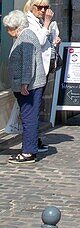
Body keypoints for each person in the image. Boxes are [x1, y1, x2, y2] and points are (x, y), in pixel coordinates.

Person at [3, 9, 45, 163]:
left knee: (28, 118)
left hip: (30, 86)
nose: (8, 31)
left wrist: (24, 84)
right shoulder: (25, 35)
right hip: (29, 85)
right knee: (28, 117)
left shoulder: (26, 36)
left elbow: (28, 63)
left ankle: (28, 152)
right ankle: (30, 148)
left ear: (17, 27)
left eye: (9, 28)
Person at [23, 0, 62, 153]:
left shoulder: (39, 22)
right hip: (32, 71)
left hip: (42, 69)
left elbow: (44, 43)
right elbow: (36, 41)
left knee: (36, 107)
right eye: (40, 7)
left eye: (46, 7)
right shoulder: (28, 22)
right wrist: (46, 24)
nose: (43, 10)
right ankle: (30, 144)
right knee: (32, 108)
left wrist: (53, 41)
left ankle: (34, 140)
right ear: (32, 7)